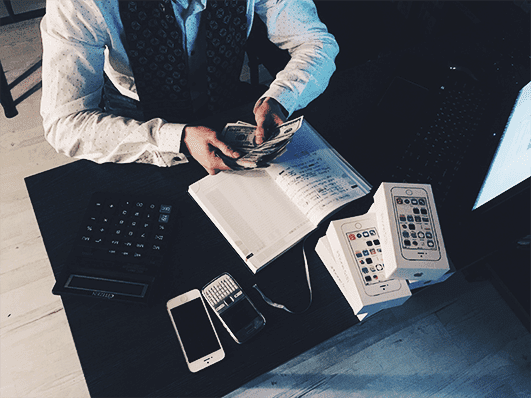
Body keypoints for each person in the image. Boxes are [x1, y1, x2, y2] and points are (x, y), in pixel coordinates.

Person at [40, 0, 339, 175]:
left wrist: (282, 97)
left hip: (228, 102)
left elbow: (315, 42)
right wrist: (176, 138)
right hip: (137, 120)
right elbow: (64, 123)